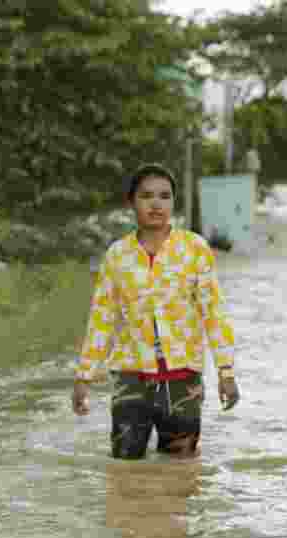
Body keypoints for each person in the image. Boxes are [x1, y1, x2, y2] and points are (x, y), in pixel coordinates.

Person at [72, 163, 241, 459]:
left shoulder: (195, 249)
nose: (155, 203)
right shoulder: (117, 255)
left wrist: (226, 371)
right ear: (131, 202)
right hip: (130, 379)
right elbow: (102, 319)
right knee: (124, 468)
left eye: (164, 196)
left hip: (183, 381)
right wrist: (83, 377)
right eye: (146, 195)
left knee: (180, 470)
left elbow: (214, 314)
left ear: (173, 202)